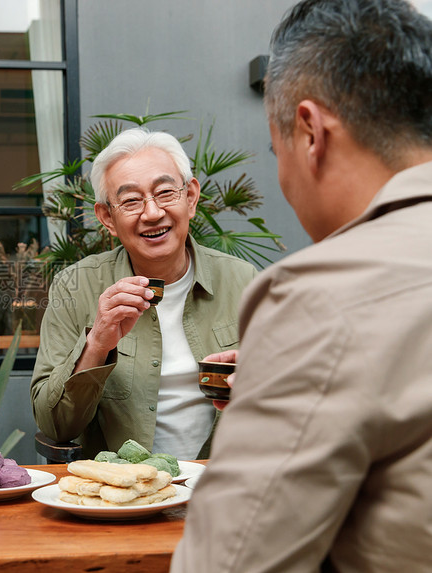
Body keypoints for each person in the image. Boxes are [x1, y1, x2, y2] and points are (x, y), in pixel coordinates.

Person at [172, 0, 432, 571]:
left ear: (311, 132)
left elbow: (231, 560)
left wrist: (285, 366)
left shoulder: (319, 296)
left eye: (276, 149)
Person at [31, 128, 258, 461]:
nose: (152, 213)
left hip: (224, 483)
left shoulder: (244, 281)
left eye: (165, 192)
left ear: (191, 198)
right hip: (123, 494)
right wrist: (97, 344)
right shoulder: (75, 285)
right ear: (107, 217)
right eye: (131, 201)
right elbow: (54, 425)